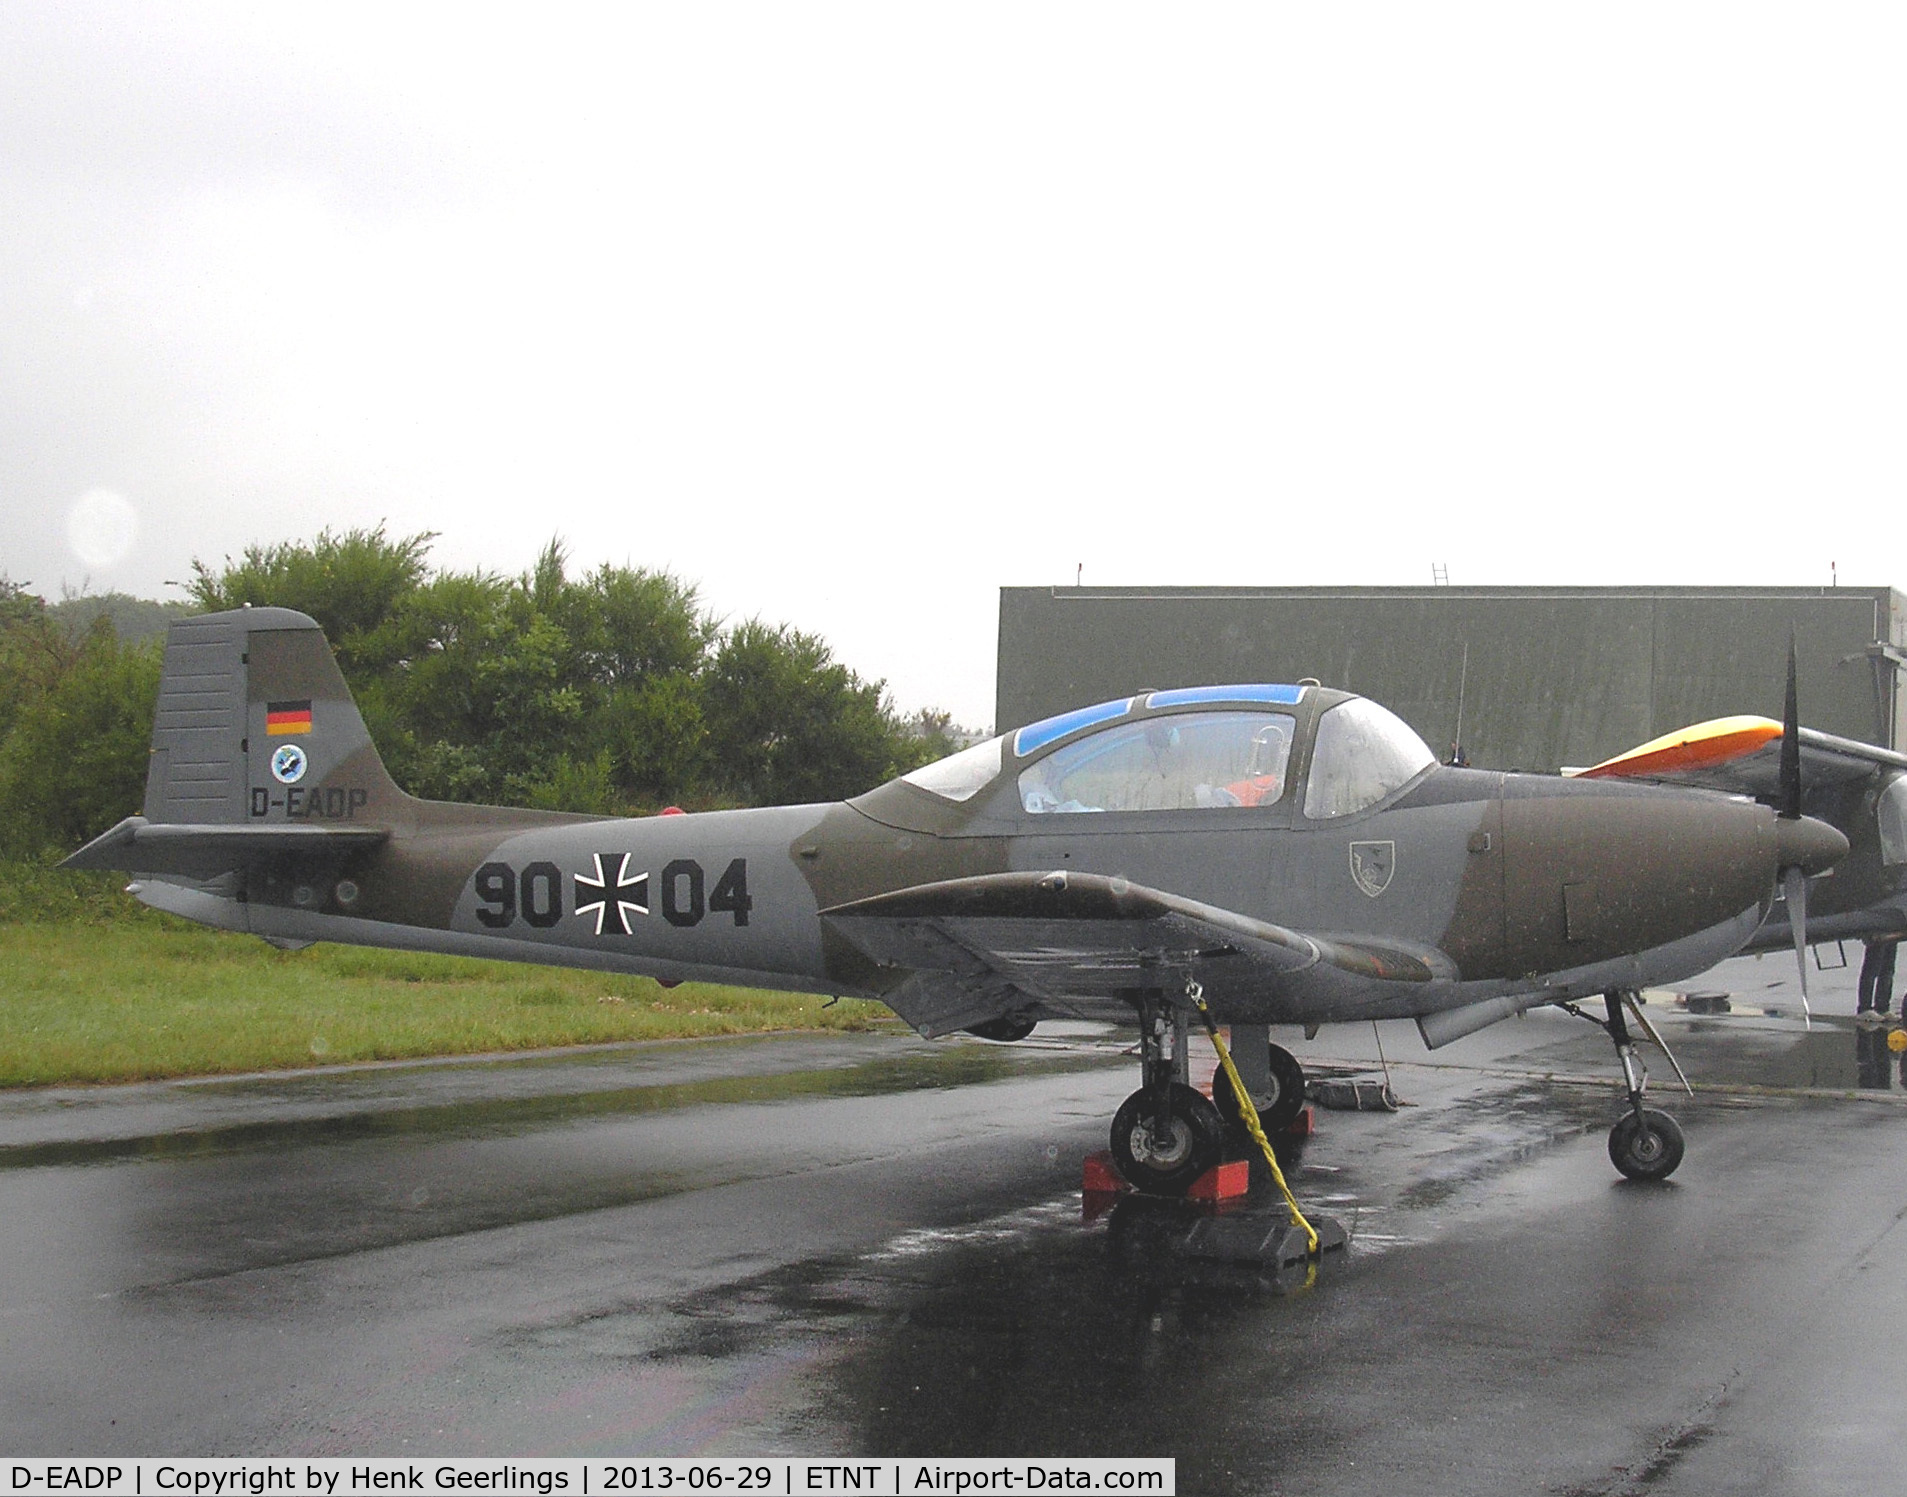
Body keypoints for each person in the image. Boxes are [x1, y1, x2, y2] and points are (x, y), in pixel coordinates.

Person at [1856, 935, 1901, 1017]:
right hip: (1879, 930)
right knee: (1872, 969)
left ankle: (1882, 1007)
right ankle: (1865, 1008)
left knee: (1888, 969)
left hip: (1892, 931)